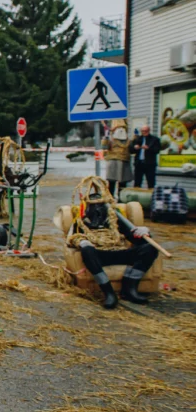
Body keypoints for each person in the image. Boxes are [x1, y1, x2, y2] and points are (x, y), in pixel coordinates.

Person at [66, 177, 158, 309]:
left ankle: (130, 286)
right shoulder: (81, 221)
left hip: (119, 251)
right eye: (94, 207)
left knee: (150, 248)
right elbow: (71, 238)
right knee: (87, 251)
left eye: (100, 206)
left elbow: (135, 238)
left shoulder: (115, 220)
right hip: (100, 255)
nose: (98, 210)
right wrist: (82, 242)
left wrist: (144, 232)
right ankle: (108, 292)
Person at [103, 119, 132, 196]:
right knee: (111, 182)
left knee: (123, 183)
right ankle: (110, 198)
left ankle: (121, 199)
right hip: (113, 162)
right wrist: (106, 137)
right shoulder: (111, 139)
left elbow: (131, 149)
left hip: (124, 162)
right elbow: (105, 146)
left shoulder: (128, 141)